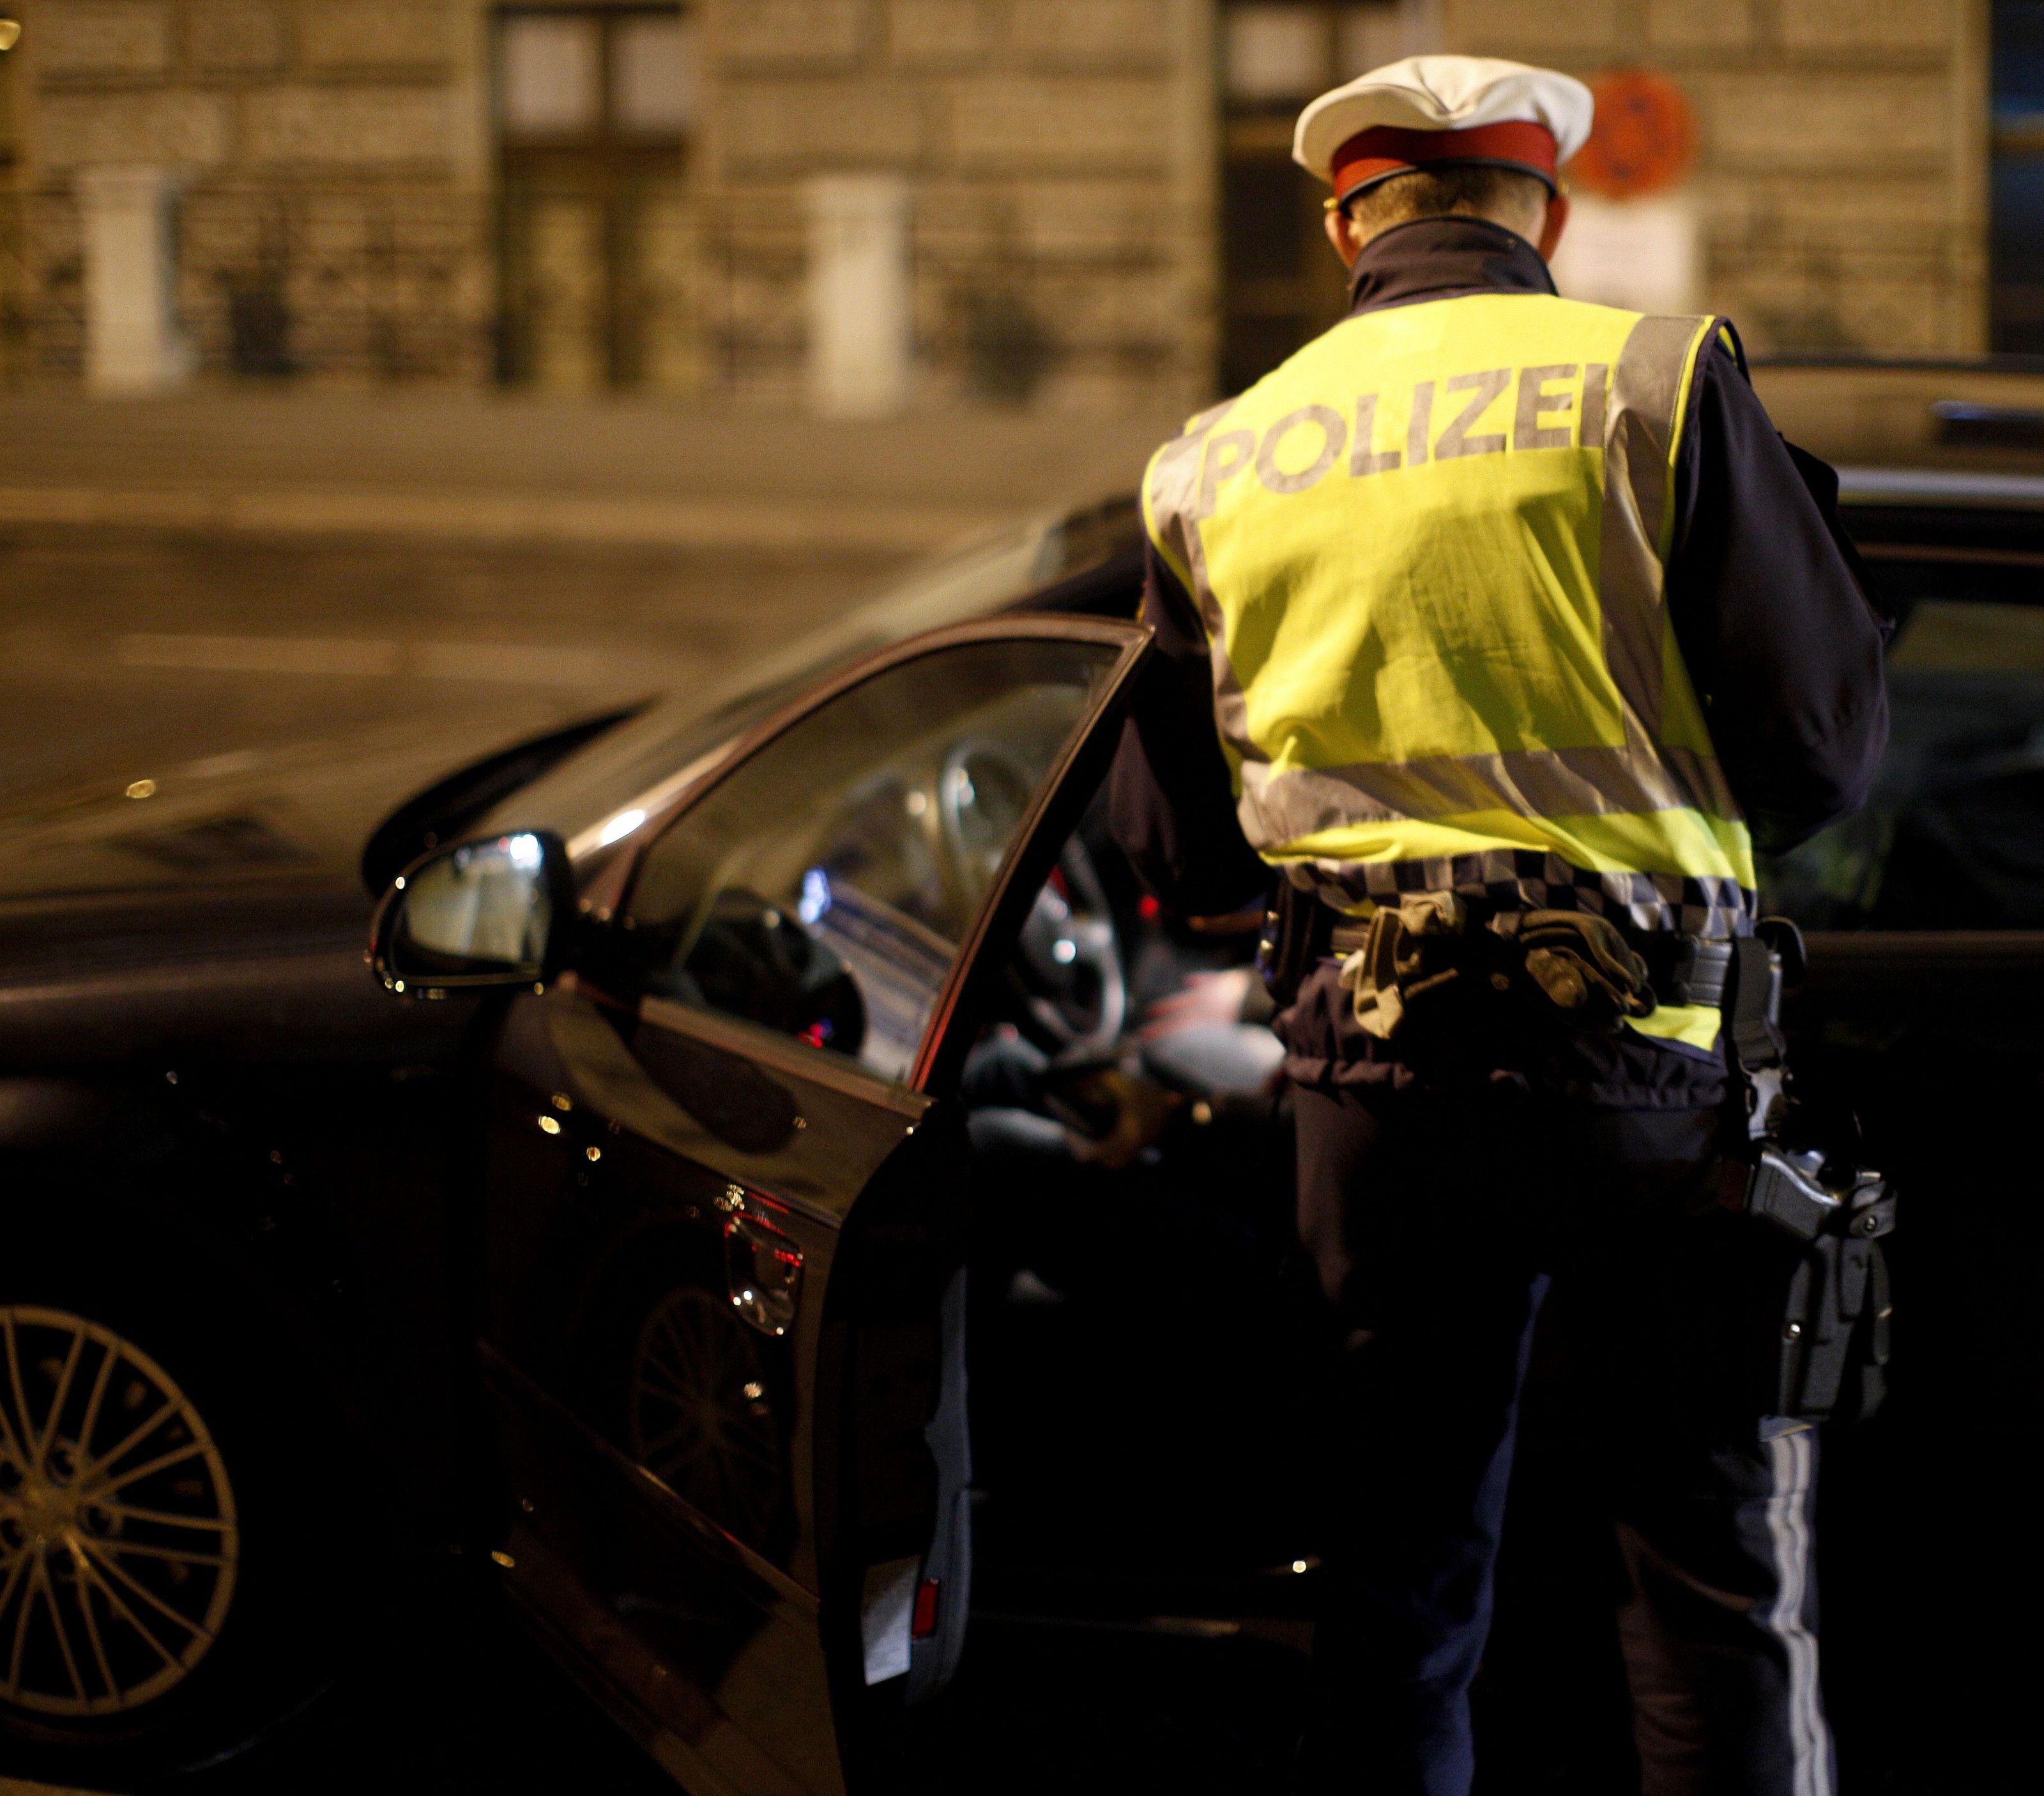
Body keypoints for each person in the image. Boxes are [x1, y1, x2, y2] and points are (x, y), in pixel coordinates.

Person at [1109, 54, 1890, 1796]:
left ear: (1345, 221)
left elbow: (1168, 838)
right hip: (1655, 1077)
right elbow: (1827, 747)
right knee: (1708, 1585)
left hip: (1371, 1093)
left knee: (1396, 1587)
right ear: (1545, 211)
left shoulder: (1217, 457)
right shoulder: (1653, 380)